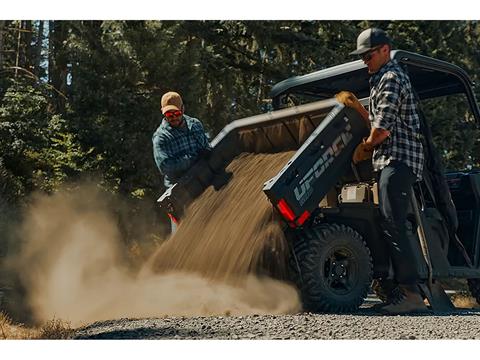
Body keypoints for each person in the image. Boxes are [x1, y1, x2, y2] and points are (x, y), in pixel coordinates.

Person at [337, 28, 428, 314]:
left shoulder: (391, 77)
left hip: (399, 159)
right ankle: (393, 287)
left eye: (368, 54)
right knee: (386, 220)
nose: (365, 60)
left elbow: (382, 129)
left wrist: (364, 146)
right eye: (362, 56)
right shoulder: (379, 79)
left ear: (385, 49)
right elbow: (376, 119)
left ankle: (411, 293)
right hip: (388, 160)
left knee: (393, 221)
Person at [152, 91, 211, 232]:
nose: (173, 118)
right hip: (179, 191)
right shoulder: (161, 138)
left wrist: (207, 151)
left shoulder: (195, 125)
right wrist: (192, 159)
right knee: (183, 234)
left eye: (176, 114)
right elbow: (166, 167)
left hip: (204, 182)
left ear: (183, 109)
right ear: (163, 113)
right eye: (168, 115)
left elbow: (206, 148)